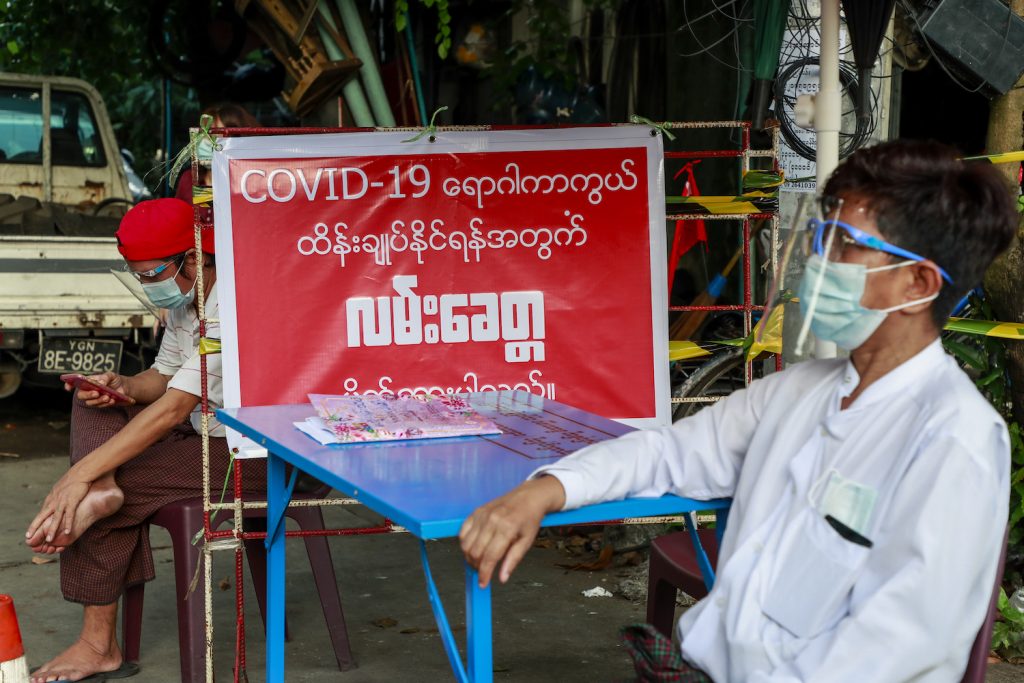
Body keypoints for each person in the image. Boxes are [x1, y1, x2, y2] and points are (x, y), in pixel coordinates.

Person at [460, 140, 1017, 682]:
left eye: (844, 243)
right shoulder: (796, 393)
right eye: (820, 236)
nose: (819, 260)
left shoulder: (953, 438)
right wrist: (545, 490)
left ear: (917, 284)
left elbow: (899, 645)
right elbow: (667, 452)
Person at [24, 198, 266, 683]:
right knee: (90, 403)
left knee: (108, 492)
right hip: (201, 431)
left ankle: (98, 645)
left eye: (152, 274)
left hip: (254, 452)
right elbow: (162, 377)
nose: (147, 285)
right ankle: (101, 489)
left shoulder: (233, 304)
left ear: (193, 258)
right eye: (139, 276)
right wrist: (125, 387)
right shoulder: (187, 299)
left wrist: (77, 477)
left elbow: (172, 409)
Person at [174, 103, 260, 226]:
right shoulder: (190, 180)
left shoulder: (253, 183)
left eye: (215, 136)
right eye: (204, 135)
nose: (206, 142)